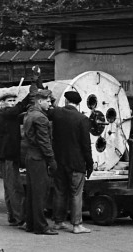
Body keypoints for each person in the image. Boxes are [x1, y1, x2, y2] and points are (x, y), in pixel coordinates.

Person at [48, 91, 93, 234]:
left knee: (60, 192)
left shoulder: (57, 113)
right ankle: (77, 225)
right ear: (78, 104)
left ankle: (58, 222)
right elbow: (86, 145)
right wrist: (89, 164)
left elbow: (48, 105)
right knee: (76, 193)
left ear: (66, 101)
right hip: (76, 163)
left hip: (59, 161)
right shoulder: (82, 119)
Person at [23, 89, 57, 235]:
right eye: (48, 101)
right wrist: (51, 160)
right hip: (39, 158)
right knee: (40, 193)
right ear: (40, 101)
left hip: (31, 157)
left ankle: (30, 223)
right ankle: (40, 226)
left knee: (32, 193)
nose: (50, 104)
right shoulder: (41, 118)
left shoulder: (30, 115)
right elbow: (44, 142)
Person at [0, 90, 27, 226]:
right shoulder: (6, 114)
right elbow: (18, 109)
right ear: (2, 103)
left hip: (7, 156)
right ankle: (20, 219)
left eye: (14, 101)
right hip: (8, 156)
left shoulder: (9, 115)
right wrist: (30, 96)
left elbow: (20, 112)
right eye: (10, 101)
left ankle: (12, 217)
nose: (12, 103)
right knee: (14, 188)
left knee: (9, 188)